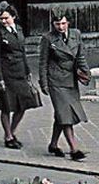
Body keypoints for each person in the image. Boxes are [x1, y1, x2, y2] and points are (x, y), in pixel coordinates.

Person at [38, 14, 91, 160]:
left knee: (61, 114)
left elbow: (80, 56)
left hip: (70, 80)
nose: (61, 27)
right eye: (57, 24)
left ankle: (53, 145)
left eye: (63, 23)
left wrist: (86, 73)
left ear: (68, 22)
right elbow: (43, 62)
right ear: (52, 24)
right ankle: (74, 149)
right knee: (65, 114)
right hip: (55, 81)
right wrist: (43, 83)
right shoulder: (48, 39)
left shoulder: (76, 35)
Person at [0, 1, 39, 149]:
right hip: (7, 75)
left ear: (13, 16)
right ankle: (8, 136)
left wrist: (28, 71)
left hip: (20, 73)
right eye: (1, 19)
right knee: (7, 106)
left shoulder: (18, 29)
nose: (4, 21)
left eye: (6, 18)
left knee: (23, 105)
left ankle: (12, 131)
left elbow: (23, 53)